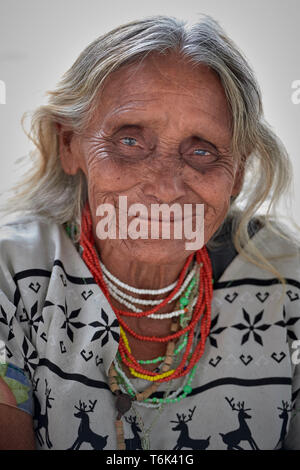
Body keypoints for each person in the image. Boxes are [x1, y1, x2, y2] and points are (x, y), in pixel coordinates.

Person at [0, 14, 299, 450]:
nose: (165, 187)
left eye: (202, 151)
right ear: (70, 145)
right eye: (129, 141)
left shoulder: (286, 285)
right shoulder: (12, 276)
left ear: (237, 176)